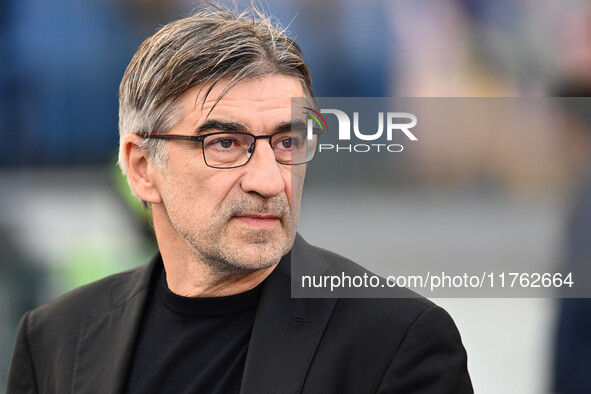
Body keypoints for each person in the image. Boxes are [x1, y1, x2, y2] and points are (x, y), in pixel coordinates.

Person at [6, 3, 473, 393]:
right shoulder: (55, 339)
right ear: (143, 168)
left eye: (288, 142)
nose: (270, 181)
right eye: (225, 143)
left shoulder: (397, 340)